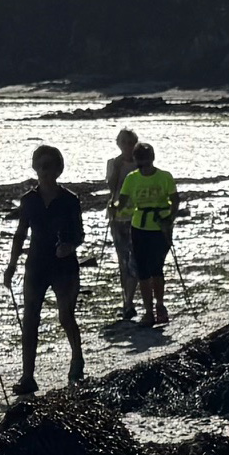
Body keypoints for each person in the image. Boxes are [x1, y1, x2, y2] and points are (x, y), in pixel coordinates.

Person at [4, 144, 85, 393]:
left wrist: (70, 247)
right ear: (35, 168)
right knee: (30, 321)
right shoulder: (28, 200)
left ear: (58, 169)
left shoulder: (70, 200)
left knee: (66, 316)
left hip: (64, 265)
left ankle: (77, 360)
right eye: (40, 166)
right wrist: (11, 266)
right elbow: (20, 235)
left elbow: (80, 234)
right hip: (36, 264)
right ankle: (27, 376)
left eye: (49, 166)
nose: (44, 171)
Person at [117, 143, 177, 328]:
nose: (145, 166)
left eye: (147, 162)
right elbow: (122, 202)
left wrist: (170, 220)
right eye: (141, 163)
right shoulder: (131, 179)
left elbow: (175, 200)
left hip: (160, 226)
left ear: (152, 159)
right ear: (136, 161)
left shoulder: (165, 176)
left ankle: (158, 307)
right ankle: (150, 311)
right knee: (143, 271)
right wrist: (115, 208)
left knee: (156, 268)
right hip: (140, 227)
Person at [104, 128, 141, 320]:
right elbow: (112, 188)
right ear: (118, 144)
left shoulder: (142, 162)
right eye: (123, 142)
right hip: (118, 217)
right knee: (122, 260)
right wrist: (117, 169)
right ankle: (127, 301)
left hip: (138, 216)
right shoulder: (114, 163)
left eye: (130, 142)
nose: (126, 146)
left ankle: (129, 301)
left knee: (135, 259)